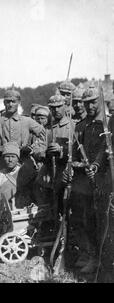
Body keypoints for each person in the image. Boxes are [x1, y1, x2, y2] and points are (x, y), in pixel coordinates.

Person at [70, 83, 105, 274]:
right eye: (86, 103)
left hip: (106, 180)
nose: (89, 107)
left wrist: (98, 167)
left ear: (99, 100)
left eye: (93, 103)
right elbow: (75, 156)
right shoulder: (82, 126)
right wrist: (83, 166)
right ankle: (94, 258)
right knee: (89, 220)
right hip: (86, 183)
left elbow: (106, 150)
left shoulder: (108, 122)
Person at [0, 85, 46, 171]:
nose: (10, 104)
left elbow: (43, 134)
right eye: (8, 102)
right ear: (4, 103)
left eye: (13, 102)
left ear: (19, 102)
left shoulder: (27, 121)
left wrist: (33, 148)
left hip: (23, 164)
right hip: (2, 165)